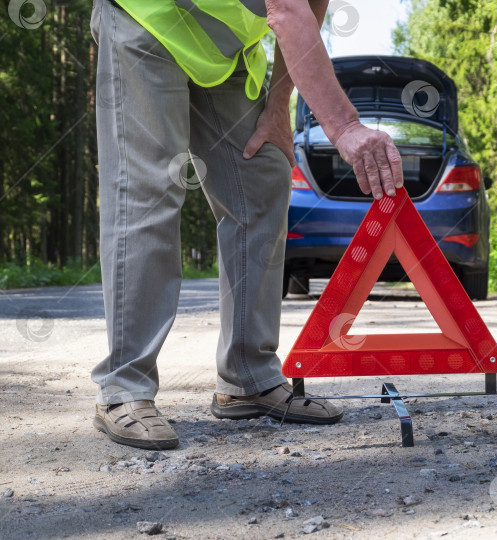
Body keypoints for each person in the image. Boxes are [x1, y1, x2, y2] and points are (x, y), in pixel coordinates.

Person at [89, 0, 404, 450]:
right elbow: (287, 8)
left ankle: (248, 378)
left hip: (223, 49)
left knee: (261, 176)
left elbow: (309, 6)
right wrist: (346, 128)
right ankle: (124, 387)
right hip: (147, 16)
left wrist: (278, 106)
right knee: (151, 188)